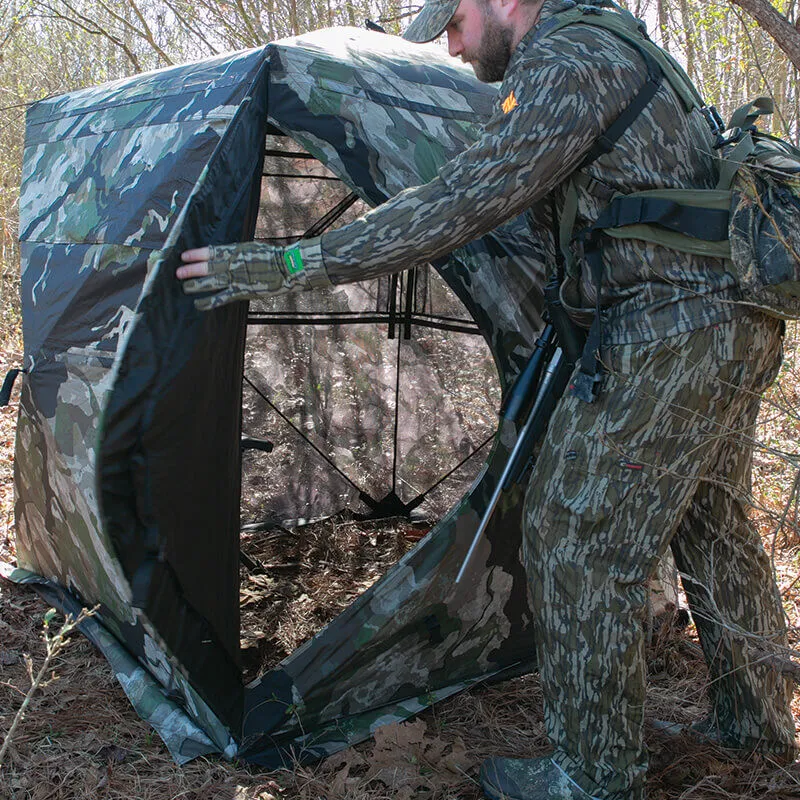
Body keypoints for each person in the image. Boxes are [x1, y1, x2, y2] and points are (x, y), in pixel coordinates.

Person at [177, 0, 798, 797]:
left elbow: (460, 202)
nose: (451, 41)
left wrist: (291, 265)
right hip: (722, 321)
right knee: (713, 524)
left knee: (575, 536)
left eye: (458, 18)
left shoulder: (568, 61)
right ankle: (754, 725)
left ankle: (594, 776)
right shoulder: (610, 43)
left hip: (671, 329)